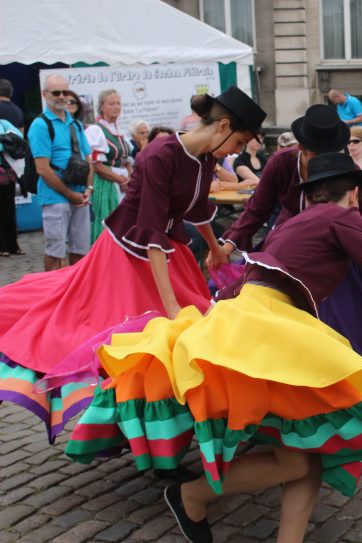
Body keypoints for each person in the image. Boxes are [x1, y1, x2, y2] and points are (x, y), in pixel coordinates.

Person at [68, 153, 362, 543]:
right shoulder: (343, 216)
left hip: (254, 322)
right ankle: (194, 496)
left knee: (306, 451)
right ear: (355, 195)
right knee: (301, 452)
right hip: (270, 328)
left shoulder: (294, 222)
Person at [0, 86, 265, 443]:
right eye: (239, 142)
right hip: (128, 252)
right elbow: (151, 230)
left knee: (187, 328)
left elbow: (198, 206)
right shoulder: (160, 153)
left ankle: (167, 425)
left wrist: (216, 247)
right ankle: (137, 427)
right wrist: (170, 304)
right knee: (125, 331)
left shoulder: (205, 156)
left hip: (168, 249)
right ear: (223, 127)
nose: (237, 151)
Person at [214, 104, 362, 387]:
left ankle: (360, 382)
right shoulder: (282, 163)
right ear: (302, 149)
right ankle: (292, 383)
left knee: (356, 320)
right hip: (292, 253)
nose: (323, 161)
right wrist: (227, 246)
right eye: (315, 155)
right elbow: (256, 210)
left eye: (330, 154)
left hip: (341, 257)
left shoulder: (347, 172)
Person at [28, 74, 94, 271]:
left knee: (81, 250)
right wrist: (70, 194)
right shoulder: (40, 125)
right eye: (56, 92)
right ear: (45, 94)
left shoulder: (75, 123)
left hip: (80, 194)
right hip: (55, 197)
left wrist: (88, 189)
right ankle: (52, 293)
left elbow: (88, 160)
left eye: (65, 92)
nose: (61, 96)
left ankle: (77, 294)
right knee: (55, 251)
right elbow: (42, 169)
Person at [85, 89, 133, 242]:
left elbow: (126, 160)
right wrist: (121, 180)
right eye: (111, 103)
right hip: (106, 182)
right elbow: (97, 166)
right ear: (102, 107)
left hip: (122, 182)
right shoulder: (96, 130)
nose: (116, 107)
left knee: (125, 224)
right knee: (109, 223)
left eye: (118, 103)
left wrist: (130, 178)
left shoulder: (120, 130)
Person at [0, 119, 24, 256]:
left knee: (9, 210)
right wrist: (5, 140)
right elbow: (9, 142)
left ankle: (12, 245)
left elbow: (18, 138)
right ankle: (2, 246)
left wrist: (4, 141)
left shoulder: (3, 122)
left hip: (7, 174)